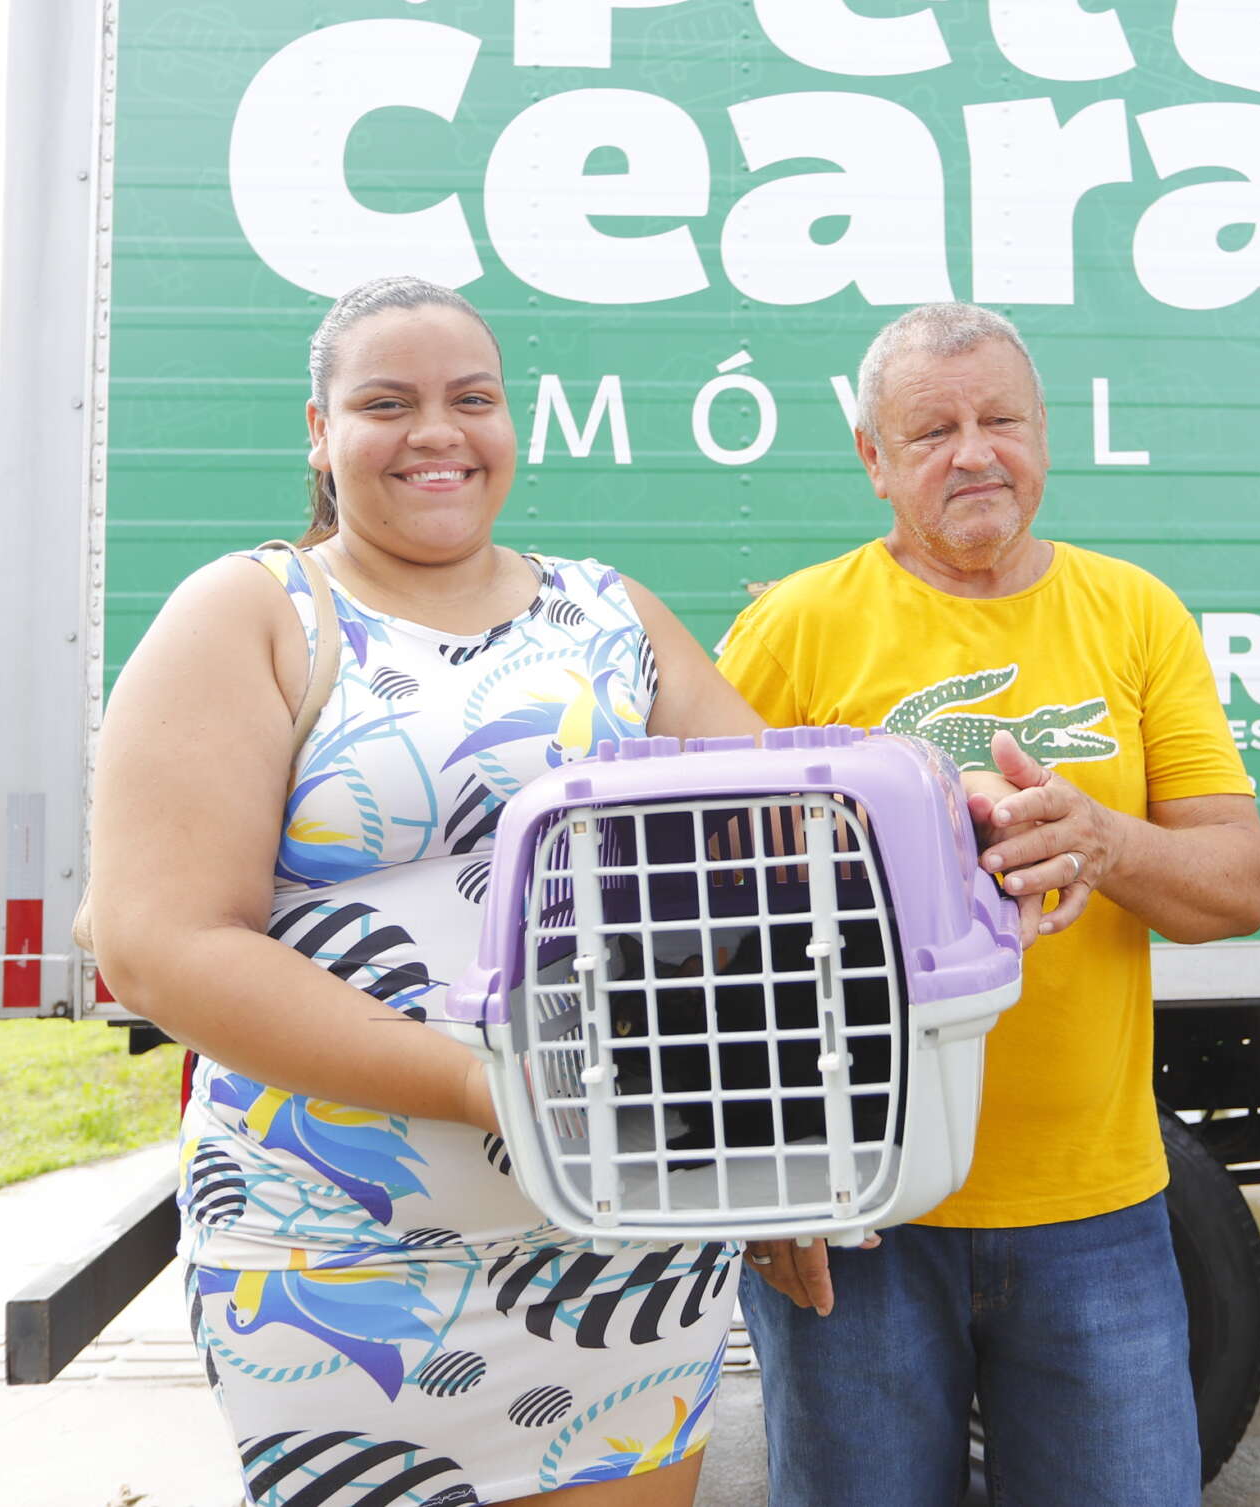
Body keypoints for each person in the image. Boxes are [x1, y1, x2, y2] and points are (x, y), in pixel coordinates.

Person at [89, 276, 776, 1507]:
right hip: (335, 1267)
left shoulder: (611, 617)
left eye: (473, 398)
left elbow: (780, 854)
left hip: (628, 1247)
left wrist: (978, 826)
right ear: (319, 430)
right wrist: (488, 1082)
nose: (438, 432)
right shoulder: (254, 614)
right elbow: (156, 943)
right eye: (386, 402)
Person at [715, 302, 1260, 1507]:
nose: (974, 452)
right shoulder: (790, 630)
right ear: (873, 461)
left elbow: (1237, 886)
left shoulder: (1135, 614)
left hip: (1101, 1212)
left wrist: (1104, 841)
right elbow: (710, 928)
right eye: (930, 430)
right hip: (859, 1210)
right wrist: (774, 1184)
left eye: (999, 420)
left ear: (1043, 437)